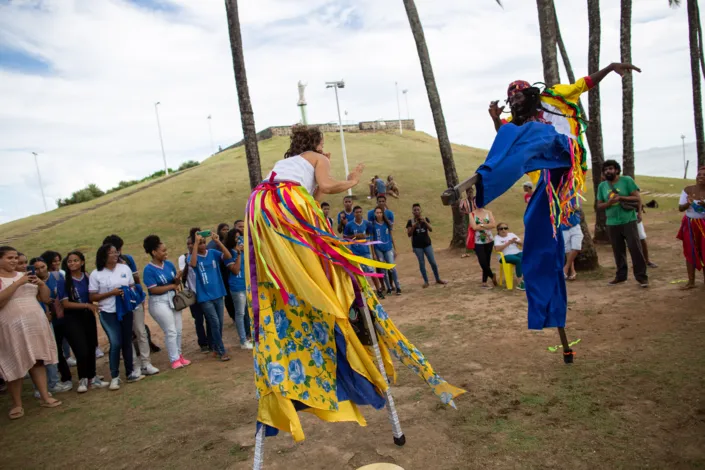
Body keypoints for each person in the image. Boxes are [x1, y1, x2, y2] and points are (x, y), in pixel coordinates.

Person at [246, 125, 464, 444]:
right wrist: (350, 181)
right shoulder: (316, 157)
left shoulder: (289, 164)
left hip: (262, 208)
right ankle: (322, 286)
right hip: (287, 205)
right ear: (317, 143)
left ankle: (299, 282)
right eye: (322, 143)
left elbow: (312, 196)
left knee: (290, 264)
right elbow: (325, 187)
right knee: (326, 257)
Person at [478, 62, 641, 361]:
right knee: (537, 236)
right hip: (546, 185)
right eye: (509, 98)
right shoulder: (518, 125)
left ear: (530, 93)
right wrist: (494, 121)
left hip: (564, 159)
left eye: (518, 95)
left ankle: (484, 183)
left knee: (533, 134)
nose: (514, 99)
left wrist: (610, 67)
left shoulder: (553, 99)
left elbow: (584, 84)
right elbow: (508, 141)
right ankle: (549, 309)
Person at [0, 246, 62, 419]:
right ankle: (17, 404)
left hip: (35, 323)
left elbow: (44, 298)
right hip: (10, 327)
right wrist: (18, 283)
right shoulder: (12, 279)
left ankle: (45, 396)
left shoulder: (25, 275)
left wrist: (41, 284)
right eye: (9, 258)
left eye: (15, 257)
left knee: (38, 360)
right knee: (15, 362)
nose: (14, 261)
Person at [89, 244, 145, 390]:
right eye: (112, 253)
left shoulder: (124, 268)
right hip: (108, 312)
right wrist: (111, 293)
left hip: (125, 309)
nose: (115, 255)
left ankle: (130, 373)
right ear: (103, 256)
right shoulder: (96, 274)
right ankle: (115, 377)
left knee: (127, 341)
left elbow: (132, 285)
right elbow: (93, 296)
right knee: (115, 342)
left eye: (116, 252)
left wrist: (130, 294)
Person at [102, 234, 159, 375]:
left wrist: (139, 296)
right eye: (113, 251)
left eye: (118, 250)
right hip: (120, 306)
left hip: (134, 301)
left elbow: (136, 279)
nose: (117, 253)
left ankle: (146, 363)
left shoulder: (128, 260)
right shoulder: (103, 269)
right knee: (127, 335)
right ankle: (134, 364)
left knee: (141, 331)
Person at [59, 251, 109, 392]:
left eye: (75, 260)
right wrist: (87, 305)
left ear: (82, 262)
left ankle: (92, 378)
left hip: (88, 316)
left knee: (91, 346)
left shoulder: (87, 277)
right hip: (72, 318)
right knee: (81, 350)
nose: (72, 263)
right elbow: (66, 304)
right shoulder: (64, 281)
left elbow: (94, 294)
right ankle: (82, 379)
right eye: (69, 261)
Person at [596, 160, 648, 287]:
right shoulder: (602, 186)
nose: (608, 171)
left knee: (635, 248)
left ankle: (642, 277)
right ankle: (620, 277)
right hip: (612, 222)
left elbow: (637, 198)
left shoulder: (627, 181)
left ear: (617, 170)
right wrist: (608, 203)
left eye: (611, 169)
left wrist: (621, 198)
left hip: (628, 220)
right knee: (618, 251)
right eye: (606, 169)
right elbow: (599, 205)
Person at [143, 235, 190, 370]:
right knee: (170, 331)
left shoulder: (168, 264)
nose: (166, 253)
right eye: (163, 251)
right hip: (159, 302)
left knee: (178, 330)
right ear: (154, 252)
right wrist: (172, 286)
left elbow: (175, 283)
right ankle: (174, 359)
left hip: (172, 299)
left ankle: (179, 355)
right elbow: (154, 289)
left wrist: (177, 279)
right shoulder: (149, 269)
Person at [187, 228, 233, 361]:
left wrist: (218, 242)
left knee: (219, 323)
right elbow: (193, 263)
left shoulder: (212, 253)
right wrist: (194, 243)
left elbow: (228, 256)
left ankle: (215, 346)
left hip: (218, 293)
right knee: (214, 322)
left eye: (203, 242)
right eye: (199, 243)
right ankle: (221, 350)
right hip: (205, 296)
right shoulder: (192, 257)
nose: (202, 245)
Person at [32, 257, 73, 390]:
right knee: (55, 350)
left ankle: (67, 375)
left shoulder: (57, 276)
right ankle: (60, 379)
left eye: (42, 267)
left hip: (63, 316)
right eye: (36, 268)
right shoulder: (33, 282)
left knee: (67, 343)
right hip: (47, 319)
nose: (40, 270)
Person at [344, 206, 386, 298]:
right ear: (354, 213)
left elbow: (369, 236)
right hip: (354, 252)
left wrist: (372, 251)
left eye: (360, 212)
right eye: (357, 212)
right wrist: (355, 236)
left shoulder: (367, 223)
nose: (358, 214)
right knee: (358, 273)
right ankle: (362, 292)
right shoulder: (349, 225)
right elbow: (344, 237)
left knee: (371, 271)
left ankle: (378, 290)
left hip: (365, 251)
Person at [178, 237, 210, 353]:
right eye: (188, 244)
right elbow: (183, 274)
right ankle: (203, 343)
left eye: (192, 243)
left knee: (209, 317)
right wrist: (188, 260)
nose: (189, 246)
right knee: (198, 319)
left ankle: (211, 341)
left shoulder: (202, 255)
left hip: (204, 291)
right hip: (192, 293)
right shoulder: (183, 257)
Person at [405, 204, 446, 288]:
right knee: (421, 263)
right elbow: (409, 234)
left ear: (421, 211)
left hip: (427, 244)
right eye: (415, 210)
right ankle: (426, 281)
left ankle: (437, 278)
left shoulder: (425, 219)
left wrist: (425, 222)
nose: (416, 211)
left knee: (433, 262)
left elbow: (431, 229)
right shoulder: (410, 221)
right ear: (412, 212)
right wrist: (414, 226)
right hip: (417, 246)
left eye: (418, 210)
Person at [677, 165, 705, 289]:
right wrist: (688, 203)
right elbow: (680, 208)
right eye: (699, 174)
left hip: (703, 224)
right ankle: (691, 281)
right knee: (690, 250)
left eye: (704, 175)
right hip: (690, 223)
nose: (701, 177)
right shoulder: (688, 190)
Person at [224, 228, 253, 349]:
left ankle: (249, 337)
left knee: (247, 312)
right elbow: (235, 270)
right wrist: (239, 254)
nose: (239, 239)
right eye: (236, 237)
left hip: (246, 285)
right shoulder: (229, 254)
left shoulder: (244, 251)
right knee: (240, 313)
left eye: (240, 237)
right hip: (237, 287)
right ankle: (242, 341)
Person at [207, 222, 238, 328]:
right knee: (228, 296)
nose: (226, 231)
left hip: (229, 271)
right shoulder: (213, 244)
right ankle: (233, 316)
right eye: (223, 229)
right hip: (220, 272)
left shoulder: (227, 242)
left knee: (232, 294)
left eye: (227, 229)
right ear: (218, 231)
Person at [371, 206, 401, 295]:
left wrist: (394, 248)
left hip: (388, 248)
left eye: (380, 212)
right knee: (383, 269)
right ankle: (388, 287)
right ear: (375, 214)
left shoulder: (387, 223)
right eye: (377, 213)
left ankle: (398, 287)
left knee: (392, 268)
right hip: (378, 249)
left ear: (382, 214)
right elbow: (371, 240)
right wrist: (374, 254)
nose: (379, 214)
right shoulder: (373, 225)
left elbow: (391, 236)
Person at [468, 202, 497, 288]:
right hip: (478, 241)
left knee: (487, 261)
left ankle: (484, 281)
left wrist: (480, 225)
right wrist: (486, 226)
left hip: (489, 240)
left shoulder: (488, 212)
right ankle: (492, 276)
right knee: (482, 261)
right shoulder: (472, 214)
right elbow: (474, 227)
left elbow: (493, 225)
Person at [494, 224, 525, 291]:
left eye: (505, 228)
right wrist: (508, 243)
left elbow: (522, 244)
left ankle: (526, 278)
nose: (503, 230)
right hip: (505, 255)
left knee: (527, 257)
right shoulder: (497, 238)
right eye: (501, 229)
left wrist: (516, 241)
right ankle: (520, 282)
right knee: (518, 260)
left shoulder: (511, 235)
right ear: (498, 230)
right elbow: (497, 249)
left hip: (517, 252)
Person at [561, 210, 583, 281]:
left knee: (576, 247)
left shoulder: (574, 198)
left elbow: (578, 208)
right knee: (568, 250)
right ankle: (573, 271)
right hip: (563, 228)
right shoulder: (557, 199)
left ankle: (566, 268)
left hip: (575, 226)